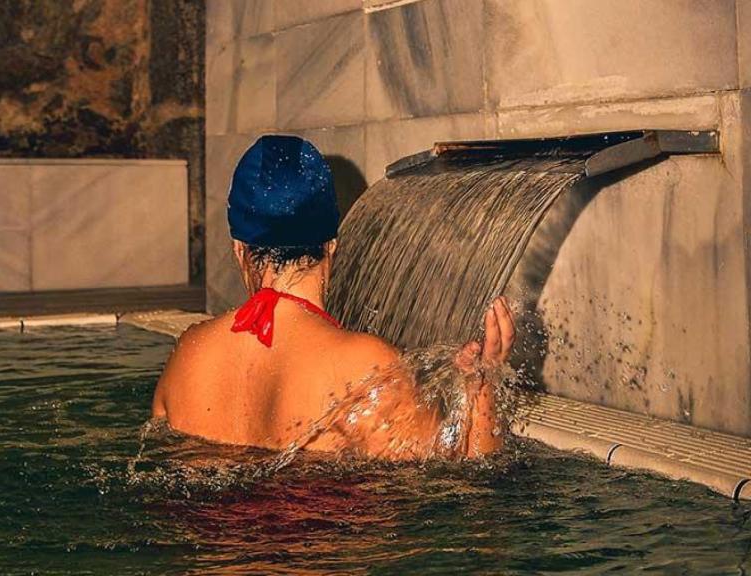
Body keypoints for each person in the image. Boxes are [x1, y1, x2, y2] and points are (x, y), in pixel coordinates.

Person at [152, 135, 514, 459]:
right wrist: (483, 382)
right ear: (331, 245)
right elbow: (463, 493)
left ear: (239, 249)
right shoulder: (360, 367)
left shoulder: (189, 355)